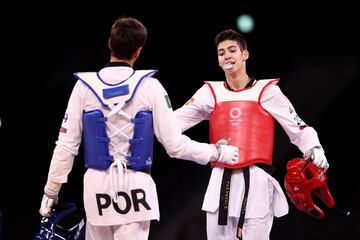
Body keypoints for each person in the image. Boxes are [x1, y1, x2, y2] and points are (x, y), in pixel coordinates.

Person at [38, 17, 239, 240]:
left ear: (109, 44)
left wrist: (51, 190)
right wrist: (216, 152)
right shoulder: (150, 86)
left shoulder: (83, 87)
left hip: (97, 188)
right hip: (137, 186)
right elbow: (175, 146)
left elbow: (66, 145)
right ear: (138, 51)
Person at [174, 29, 329, 240]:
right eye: (221, 53)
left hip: (257, 182)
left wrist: (314, 147)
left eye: (232, 50)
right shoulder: (209, 93)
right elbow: (172, 124)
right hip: (220, 183)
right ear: (218, 61)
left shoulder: (267, 91)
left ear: (245, 54)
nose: (227, 56)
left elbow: (298, 128)